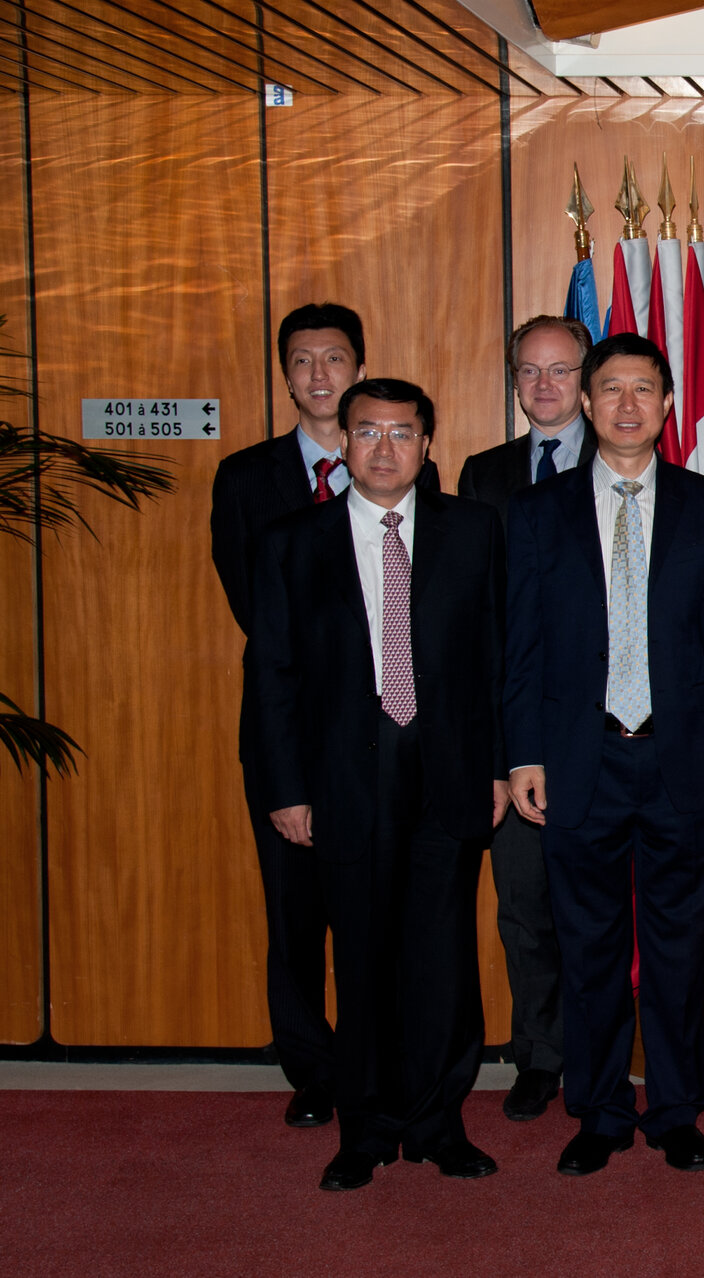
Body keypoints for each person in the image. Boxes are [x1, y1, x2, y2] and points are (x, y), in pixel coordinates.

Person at [504, 332, 704, 1176]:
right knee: (590, 949)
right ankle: (602, 1109)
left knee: (676, 951)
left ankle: (677, 1108)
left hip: (681, 758)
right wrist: (523, 754)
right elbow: (522, 646)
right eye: (609, 388)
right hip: (580, 762)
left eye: (644, 389)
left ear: (670, 403)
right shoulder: (539, 513)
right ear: (584, 401)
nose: (626, 404)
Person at [250, 379, 505, 1191]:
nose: (385, 448)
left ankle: (437, 1122)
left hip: (451, 775)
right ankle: (362, 1127)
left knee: (442, 956)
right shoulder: (292, 542)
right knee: (359, 956)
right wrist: (287, 790)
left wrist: (502, 765)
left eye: (403, 433)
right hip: (341, 781)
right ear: (343, 441)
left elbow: (502, 662)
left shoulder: (475, 532)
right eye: (368, 432)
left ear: (428, 445)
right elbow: (272, 679)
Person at [211, 303, 428, 1129]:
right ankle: (313, 1068)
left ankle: (392, 1058)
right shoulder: (244, 479)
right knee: (296, 913)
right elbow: (257, 613)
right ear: (286, 374)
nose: (317, 376)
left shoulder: (401, 461)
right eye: (301, 361)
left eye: (333, 358)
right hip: (295, 735)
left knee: (392, 909)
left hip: (394, 735)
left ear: (358, 365)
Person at [456, 315, 597, 1122]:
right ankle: (541, 1055)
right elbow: (474, 619)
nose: (544, 386)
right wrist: (491, 755)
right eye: (528, 371)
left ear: (585, 376)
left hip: (612, 732)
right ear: (513, 380)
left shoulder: (629, 459)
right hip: (519, 735)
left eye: (560, 369)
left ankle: (606, 1048)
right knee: (525, 906)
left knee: (603, 905)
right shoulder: (484, 474)